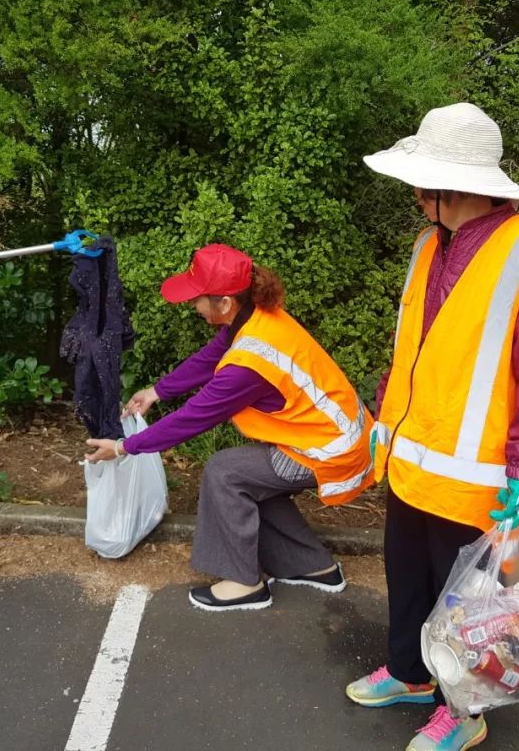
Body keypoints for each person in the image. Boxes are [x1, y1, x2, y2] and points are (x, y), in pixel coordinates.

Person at [343, 103, 519, 750]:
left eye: (422, 184)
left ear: (452, 185)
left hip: (475, 479)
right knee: (407, 576)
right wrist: (385, 422)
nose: (415, 196)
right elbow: (411, 348)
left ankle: (465, 712)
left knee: (466, 605)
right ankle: (412, 674)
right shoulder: (429, 245)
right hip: (414, 462)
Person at [85, 244, 374, 611]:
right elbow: (209, 358)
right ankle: (314, 567)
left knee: (225, 473)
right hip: (336, 438)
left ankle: (245, 583)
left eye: (198, 299)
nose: (193, 307)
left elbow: (194, 417)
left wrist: (124, 447)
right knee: (249, 478)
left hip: (329, 452)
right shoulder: (254, 318)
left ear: (224, 302)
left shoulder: (248, 365)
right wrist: (156, 392)